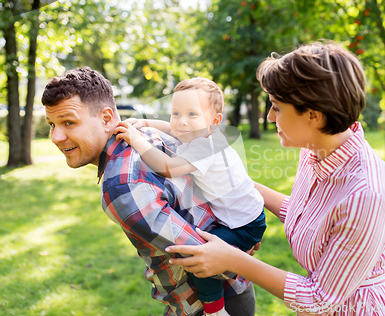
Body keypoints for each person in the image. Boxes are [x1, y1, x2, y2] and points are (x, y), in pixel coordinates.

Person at [167, 42, 385, 315]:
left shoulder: (366, 194)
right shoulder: (317, 151)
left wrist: (231, 258)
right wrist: (236, 191)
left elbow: (320, 298)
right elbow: (307, 214)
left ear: (313, 116)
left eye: (277, 108)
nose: (269, 117)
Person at [42, 67, 257, 316]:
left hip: (211, 303)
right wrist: (246, 229)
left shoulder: (121, 188)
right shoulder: (144, 135)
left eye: (68, 122)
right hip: (228, 289)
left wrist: (242, 249)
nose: (56, 136)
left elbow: (202, 256)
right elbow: (213, 173)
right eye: (51, 124)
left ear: (106, 118)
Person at [114, 77, 266, 316]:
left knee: (202, 258)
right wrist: (143, 122)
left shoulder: (207, 147)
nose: (181, 122)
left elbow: (167, 166)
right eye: (176, 112)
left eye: (192, 114)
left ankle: (215, 311)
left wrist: (136, 139)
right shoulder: (198, 134)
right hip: (246, 216)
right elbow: (171, 127)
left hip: (243, 225)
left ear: (214, 121)